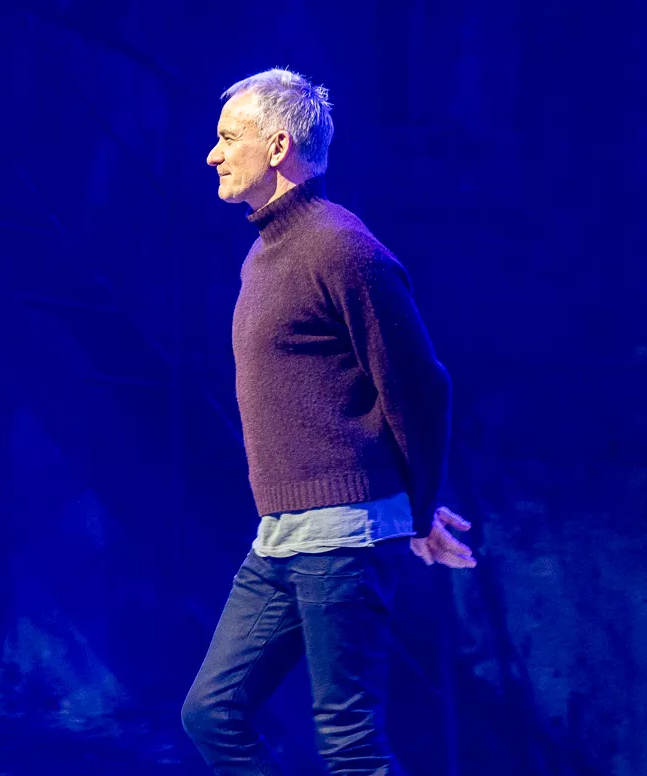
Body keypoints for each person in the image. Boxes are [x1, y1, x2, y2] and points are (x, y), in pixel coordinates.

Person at [181, 68, 476, 776]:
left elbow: (420, 387)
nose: (213, 155)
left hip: (342, 533)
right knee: (212, 713)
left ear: (277, 144)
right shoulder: (266, 253)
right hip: (283, 534)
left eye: (228, 138)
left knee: (350, 744)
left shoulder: (342, 248)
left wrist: (417, 507)